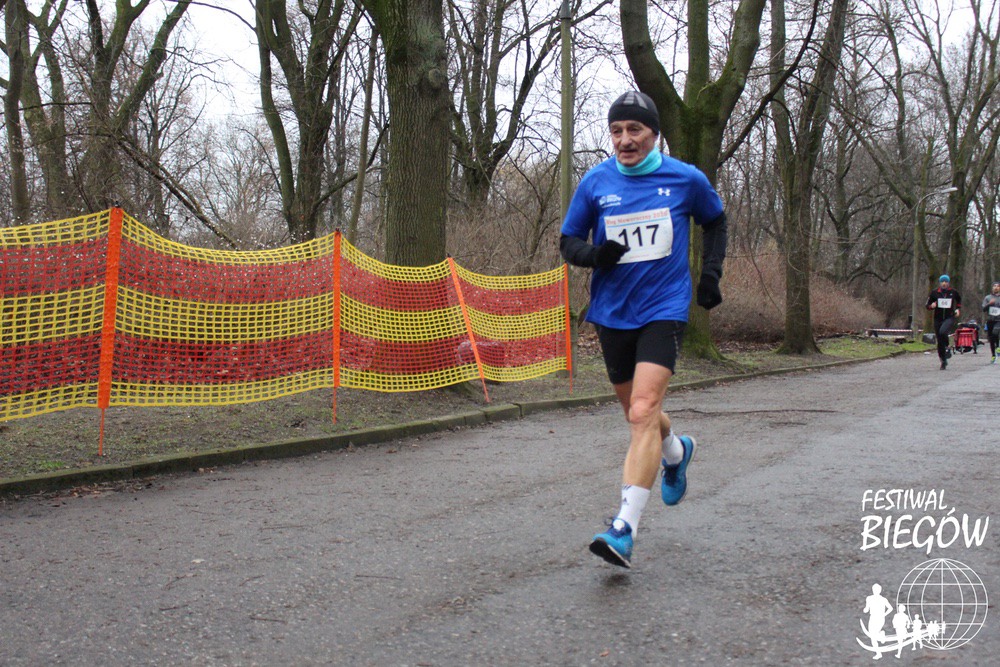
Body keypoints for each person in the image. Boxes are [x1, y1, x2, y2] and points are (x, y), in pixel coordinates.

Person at [559, 90, 727, 568]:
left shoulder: (685, 178)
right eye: (616, 131)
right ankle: (676, 451)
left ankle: (623, 529)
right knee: (639, 416)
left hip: (664, 308)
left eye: (635, 129)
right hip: (612, 311)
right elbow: (568, 242)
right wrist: (595, 255)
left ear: (654, 134)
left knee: (643, 409)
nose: (625, 139)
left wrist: (711, 275)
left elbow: (717, 222)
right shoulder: (596, 182)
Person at [926, 275, 961, 370]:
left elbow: (959, 300)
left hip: (949, 317)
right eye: (942, 282)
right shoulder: (934, 293)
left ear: (948, 283)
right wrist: (931, 306)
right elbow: (927, 305)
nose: (944, 283)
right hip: (937, 318)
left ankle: (947, 346)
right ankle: (943, 360)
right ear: (940, 283)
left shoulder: (953, 292)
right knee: (939, 340)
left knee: (943, 332)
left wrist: (958, 309)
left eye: (946, 282)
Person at [982, 281, 1000, 363]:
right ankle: (993, 355)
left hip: (998, 320)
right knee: (991, 339)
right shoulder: (987, 297)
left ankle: (998, 347)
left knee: (995, 332)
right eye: (994, 286)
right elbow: (983, 309)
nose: (996, 287)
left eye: (998, 286)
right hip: (990, 320)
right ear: (992, 288)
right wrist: (989, 304)